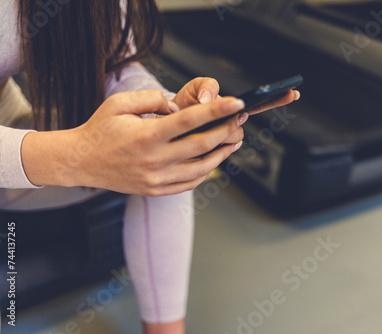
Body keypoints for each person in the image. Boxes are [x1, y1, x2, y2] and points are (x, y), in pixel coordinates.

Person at [0, 0, 299, 333]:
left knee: (165, 149)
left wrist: (163, 107)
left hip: (9, 125)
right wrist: (71, 158)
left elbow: (115, 65)